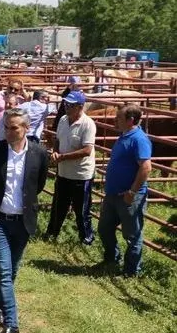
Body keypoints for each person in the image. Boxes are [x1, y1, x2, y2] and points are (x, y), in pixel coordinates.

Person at [0, 108, 48, 333]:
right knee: (4, 272)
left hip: (22, 222)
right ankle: (12, 324)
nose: (8, 131)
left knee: (12, 271)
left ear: (26, 128)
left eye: (14, 127)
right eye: (6, 127)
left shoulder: (39, 153)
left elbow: (37, 185)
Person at [97, 105, 152, 277]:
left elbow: (146, 167)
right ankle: (112, 259)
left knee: (132, 235)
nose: (115, 120)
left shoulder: (139, 139)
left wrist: (132, 192)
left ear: (130, 120)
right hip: (113, 194)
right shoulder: (124, 136)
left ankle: (131, 271)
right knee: (104, 228)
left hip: (128, 196)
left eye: (118, 118)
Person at [44, 90, 95, 244]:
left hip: (81, 174)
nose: (66, 107)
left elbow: (87, 150)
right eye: (66, 103)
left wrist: (62, 157)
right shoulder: (63, 120)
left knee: (82, 209)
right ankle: (52, 232)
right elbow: (58, 139)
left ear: (80, 107)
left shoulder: (88, 124)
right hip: (64, 171)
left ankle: (86, 238)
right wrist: (55, 151)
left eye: (71, 105)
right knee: (59, 204)